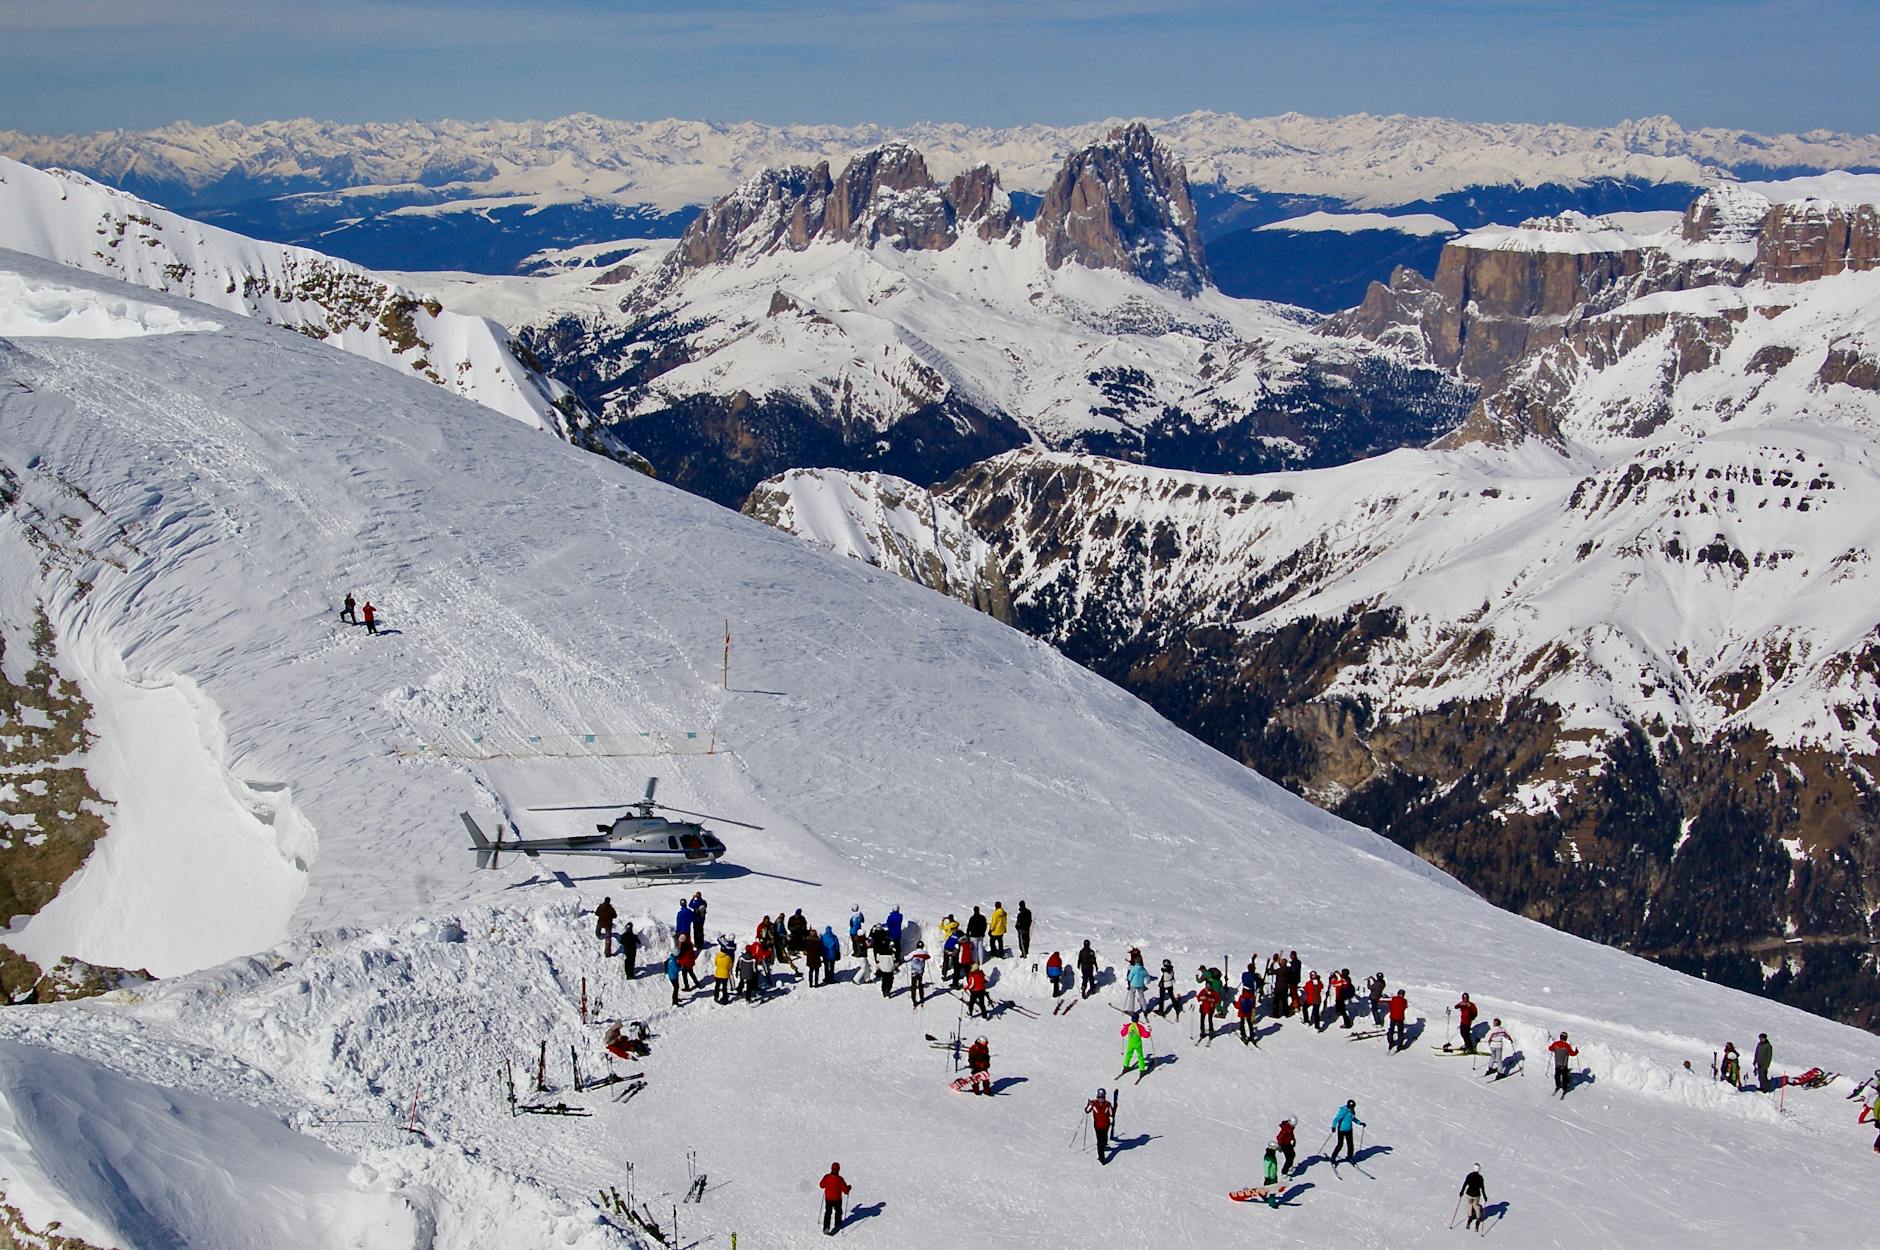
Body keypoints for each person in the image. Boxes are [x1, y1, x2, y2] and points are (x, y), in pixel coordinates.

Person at [818, 1163, 851, 1235]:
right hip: (837, 1199)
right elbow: (845, 1191)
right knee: (838, 1211)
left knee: (828, 1212)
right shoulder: (840, 1179)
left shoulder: (827, 1177)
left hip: (828, 1198)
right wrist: (848, 1188)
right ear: (838, 1169)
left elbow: (821, 1185)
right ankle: (838, 1224)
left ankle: (826, 1227)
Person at [1329, 1100, 1364, 1164]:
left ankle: (1350, 1156)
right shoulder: (1343, 1111)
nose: (1352, 1108)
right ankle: (1333, 1157)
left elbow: (1353, 1118)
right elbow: (1337, 1118)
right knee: (1340, 1144)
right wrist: (1333, 1126)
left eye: (1352, 1107)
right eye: (1350, 1107)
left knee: (1350, 1144)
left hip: (1349, 1130)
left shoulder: (1352, 1111)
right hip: (1341, 1130)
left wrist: (1360, 1123)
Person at [1085, 1089, 1113, 1164]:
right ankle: (1102, 1158)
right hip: (1097, 1125)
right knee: (1100, 1142)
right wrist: (1089, 1104)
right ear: (1097, 1096)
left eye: (1102, 1097)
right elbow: (1087, 1110)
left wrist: (1111, 1107)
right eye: (1099, 1097)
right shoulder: (1094, 1103)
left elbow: (1111, 1113)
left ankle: (1104, 1146)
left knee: (1104, 1139)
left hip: (1106, 1125)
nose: (1101, 1099)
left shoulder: (1107, 1104)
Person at [1549, 1031, 1579, 1096]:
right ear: (1566, 1038)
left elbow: (1550, 1048)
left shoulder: (1555, 1044)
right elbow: (1572, 1054)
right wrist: (1576, 1052)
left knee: (1557, 1074)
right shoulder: (1567, 1046)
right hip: (1564, 1065)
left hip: (1557, 1063)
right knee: (1564, 1076)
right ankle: (1565, 1088)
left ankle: (1558, 1084)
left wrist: (1554, 1049)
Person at [1460, 1165, 1488, 1230]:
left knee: (1470, 1204)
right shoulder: (1480, 1177)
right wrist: (1484, 1196)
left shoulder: (1469, 1176)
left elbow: (1465, 1184)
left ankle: (1470, 1217)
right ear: (1479, 1170)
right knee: (1476, 1205)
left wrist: (1462, 1192)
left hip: (1469, 1194)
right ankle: (1478, 1218)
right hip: (1476, 1195)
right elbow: (1482, 1188)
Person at [1196, 975, 1221, 1045]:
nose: (1208, 987)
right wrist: (1202, 998)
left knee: (1210, 1020)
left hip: (1210, 1008)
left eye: (1209, 986)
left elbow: (1217, 999)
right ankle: (1202, 1031)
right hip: (1203, 1007)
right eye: (1207, 985)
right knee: (1202, 1020)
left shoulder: (1213, 992)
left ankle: (1211, 1032)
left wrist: (1212, 1000)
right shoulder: (1203, 991)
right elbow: (1198, 998)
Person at [1258, 1141, 1283, 1206]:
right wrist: (1267, 1178)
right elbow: (1266, 1168)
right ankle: (1272, 1203)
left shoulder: (1271, 1154)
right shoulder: (1269, 1157)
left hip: (1273, 1175)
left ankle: (1264, 1196)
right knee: (1273, 1189)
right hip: (1271, 1177)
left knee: (1270, 1188)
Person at [907, 942, 930, 1008]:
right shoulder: (925, 952)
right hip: (920, 971)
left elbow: (906, 958)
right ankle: (922, 998)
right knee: (920, 984)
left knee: (913, 986)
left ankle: (914, 1000)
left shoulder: (914, 953)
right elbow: (928, 957)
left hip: (914, 971)